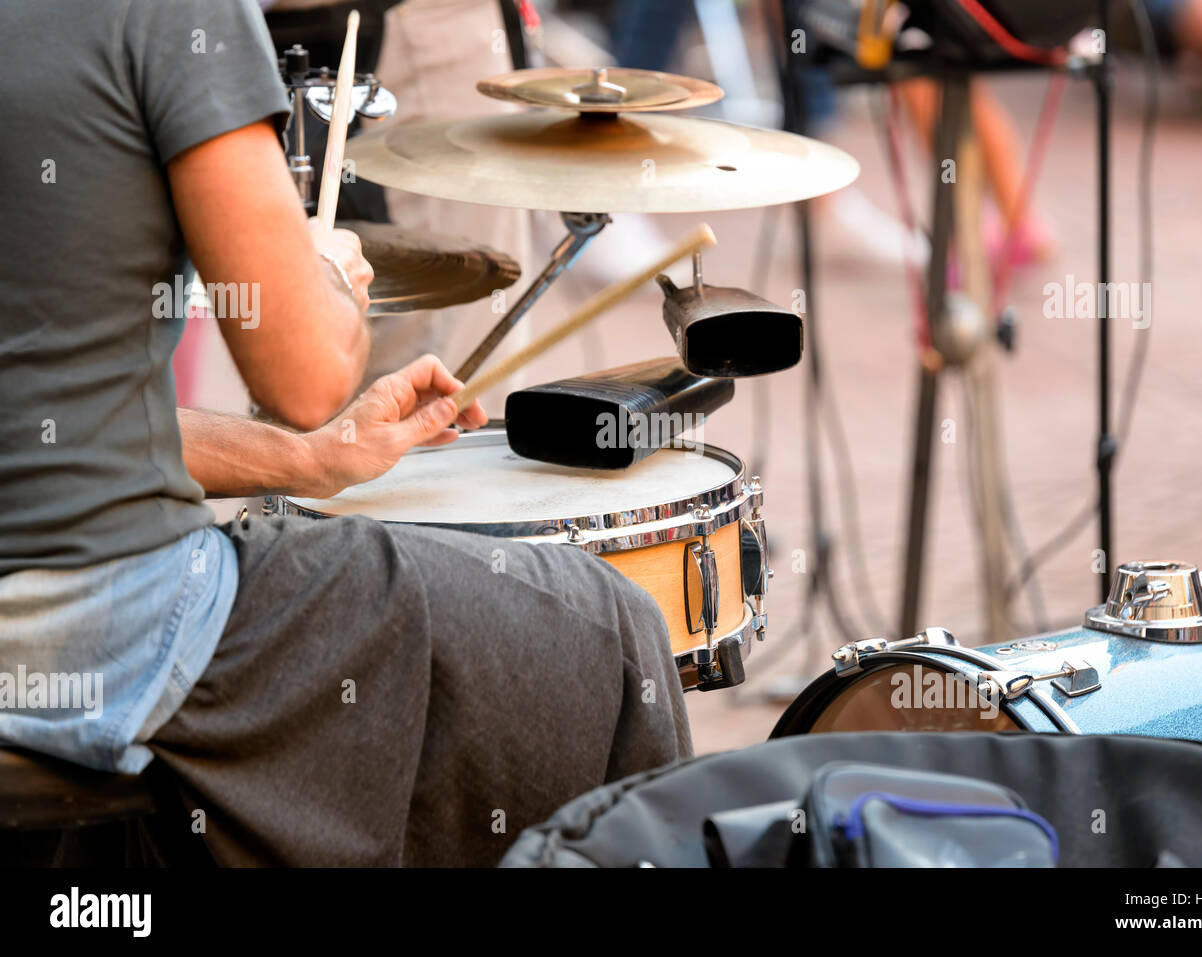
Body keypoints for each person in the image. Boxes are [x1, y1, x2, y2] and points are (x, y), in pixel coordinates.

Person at [0, 0, 690, 867]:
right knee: (605, 628)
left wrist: (304, 458)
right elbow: (308, 375)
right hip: (93, 627)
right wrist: (324, 278)